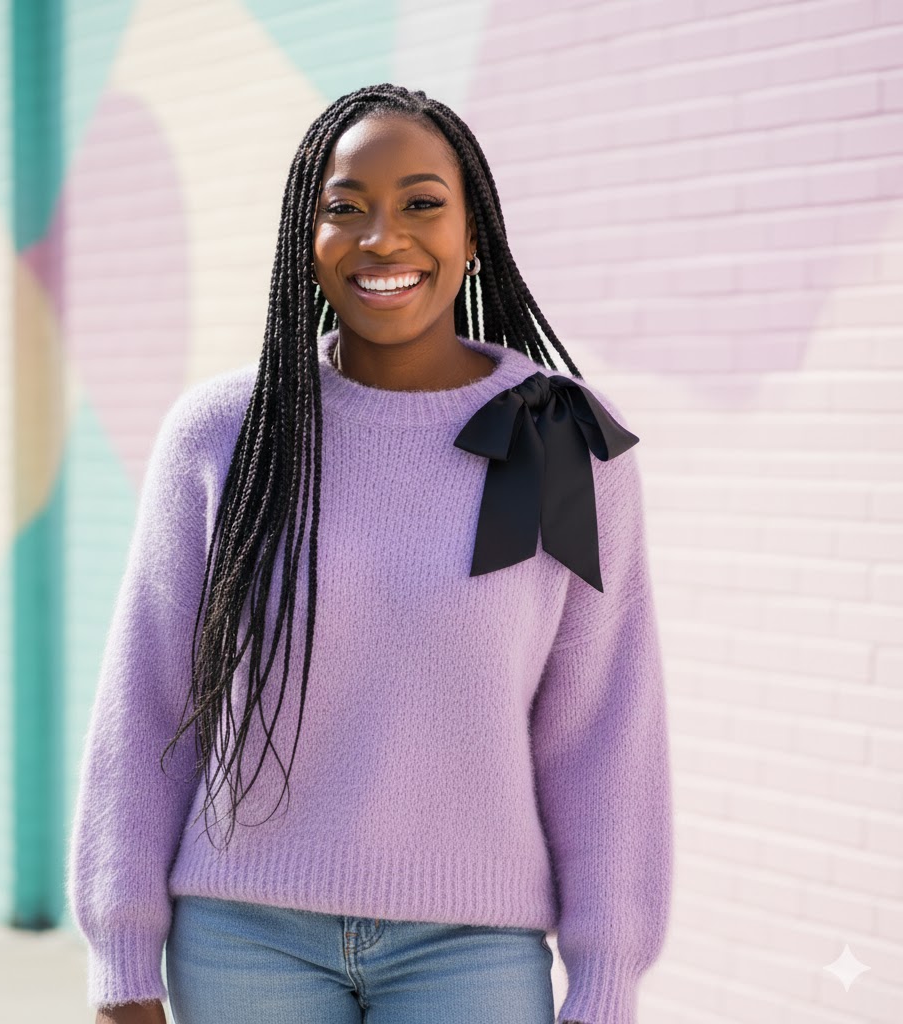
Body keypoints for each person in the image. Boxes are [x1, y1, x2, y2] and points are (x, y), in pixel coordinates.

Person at [67, 83, 674, 1024]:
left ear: (475, 234)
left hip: (472, 950)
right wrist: (121, 958)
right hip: (243, 939)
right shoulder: (225, 435)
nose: (383, 237)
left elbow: (602, 731)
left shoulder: (556, 438)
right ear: (306, 245)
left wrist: (607, 978)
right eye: (345, 209)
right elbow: (149, 698)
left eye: (423, 204)